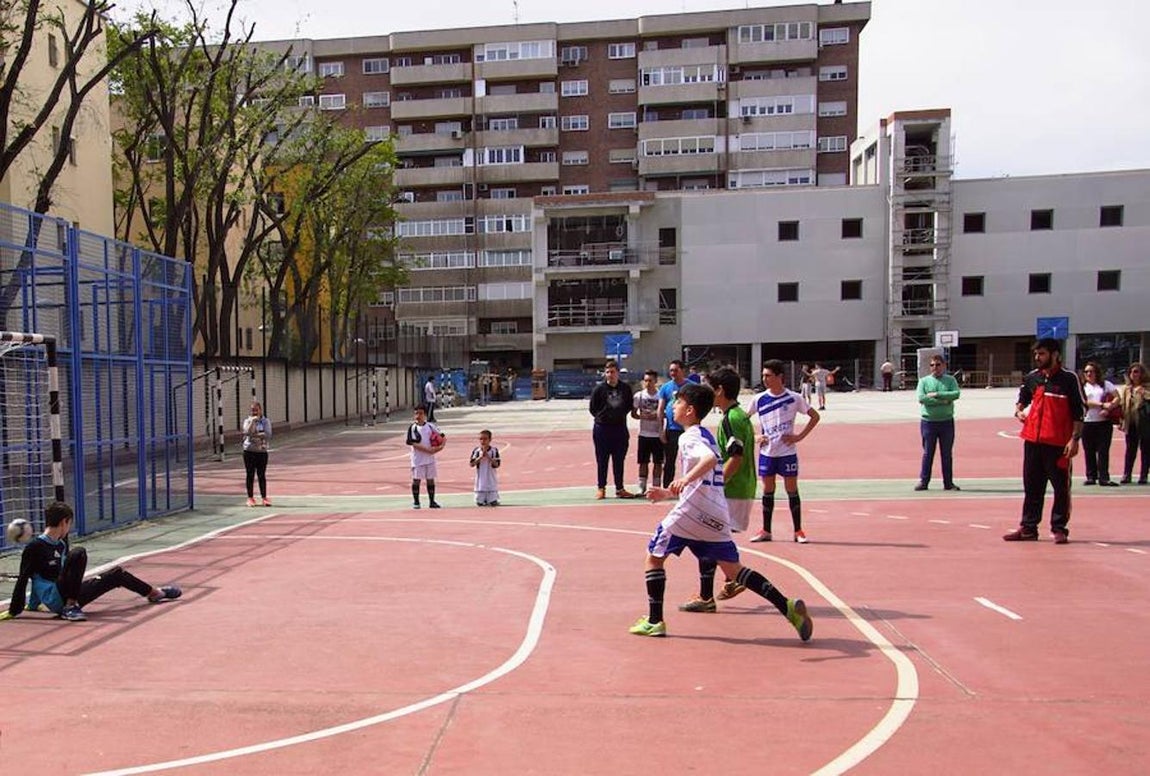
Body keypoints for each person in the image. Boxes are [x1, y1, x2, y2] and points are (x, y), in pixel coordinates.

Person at [629, 381, 812, 641]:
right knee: (734, 570)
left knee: (654, 556)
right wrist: (668, 492)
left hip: (691, 513)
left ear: (690, 410)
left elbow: (709, 460)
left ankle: (655, 621)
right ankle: (788, 606)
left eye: (678, 402)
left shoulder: (689, 437)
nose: (673, 406)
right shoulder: (706, 434)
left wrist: (682, 480)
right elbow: (705, 475)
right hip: (716, 513)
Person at [2, 502, 181, 622]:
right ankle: (71, 607)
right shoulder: (35, 547)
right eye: (69, 523)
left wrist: (33, 606)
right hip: (57, 598)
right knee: (79, 553)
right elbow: (25, 577)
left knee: (116, 574)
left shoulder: (61, 544)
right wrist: (14, 610)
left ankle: (155, 593)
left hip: (69, 590)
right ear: (65, 522)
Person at [679, 367, 758, 612]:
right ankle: (728, 580)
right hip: (743, 485)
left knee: (708, 538)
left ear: (720, 391)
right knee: (715, 539)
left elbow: (735, 456)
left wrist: (716, 485)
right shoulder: (740, 416)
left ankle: (708, 594)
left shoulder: (730, 419)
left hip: (733, 488)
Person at [1004, 338, 1085, 544]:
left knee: (1061, 488)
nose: (1037, 358)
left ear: (1055, 354)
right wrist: (1019, 410)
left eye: (1042, 354)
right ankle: (1028, 528)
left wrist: (1074, 440)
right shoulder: (1033, 377)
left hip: (1058, 444)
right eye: (1036, 354)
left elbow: (1079, 412)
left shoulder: (1069, 379)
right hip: (1032, 441)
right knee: (1032, 487)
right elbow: (1022, 398)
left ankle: (1059, 528)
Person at [745, 360, 820, 543]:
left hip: (787, 452)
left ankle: (798, 531)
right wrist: (755, 437)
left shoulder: (794, 398)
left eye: (768, 375)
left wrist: (799, 437)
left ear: (780, 377)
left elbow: (814, 416)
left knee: (791, 490)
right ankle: (766, 530)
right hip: (767, 453)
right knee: (768, 490)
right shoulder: (759, 399)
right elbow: (743, 420)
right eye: (763, 375)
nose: (764, 379)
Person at [588, 360, 636, 500]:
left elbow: (628, 406)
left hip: (619, 429)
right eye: (607, 372)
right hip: (602, 429)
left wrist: (618, 416)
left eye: (613, 372)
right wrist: (603, 417)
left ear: (618, 373)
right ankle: (601, 488)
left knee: (619, 460)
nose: (610, 375)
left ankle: (620, 488)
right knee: (602, 460)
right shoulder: (599, 389)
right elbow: (593, 408)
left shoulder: (625, 388)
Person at [915, 355, 961, 491]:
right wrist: (943, 400)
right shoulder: (923, 381)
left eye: (938, 364)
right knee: (928, 453)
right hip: (929, 422)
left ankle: (948, 483)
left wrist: (936, 394)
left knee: (946, 453)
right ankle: (924, 481)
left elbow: (955, 394)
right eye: (932, 365)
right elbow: (922, 398)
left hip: (946, 422)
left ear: (944, 365)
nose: (935, 367)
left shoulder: (950, 380)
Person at [1079, 361, 1120, 486]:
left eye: (1092, 371)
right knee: (1089, 450)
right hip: (1087, 422)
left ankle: (1104, 477)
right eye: (1087, 371)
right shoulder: (1082, 386)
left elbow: (1117, 397)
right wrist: (1101, 405)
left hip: (1104, 423)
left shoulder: (1106, 384)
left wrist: (1109, 407)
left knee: (1103, 450)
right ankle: (1091, 476)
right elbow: (1084, 402)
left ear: (1097, 372)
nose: (1089, 374)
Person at [656, 359, 690, 486]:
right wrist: (661, 430)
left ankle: (688, 486)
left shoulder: (691, 387)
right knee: (669, 460)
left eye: (676, 370)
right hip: (672, 430)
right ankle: (667, 486)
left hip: (687, 429)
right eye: (671, 370)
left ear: (683, 371)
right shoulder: (665, 387)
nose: (673, 373)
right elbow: (660, 409)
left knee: (689, 460)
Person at [631, 369, 664, 495]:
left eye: (650, 380)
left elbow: (667, 414)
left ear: (656, 381)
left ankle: (656, 486)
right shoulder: (639, 396)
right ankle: (642, 486)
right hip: (644, 434)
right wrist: (642, 416)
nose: (648, 383)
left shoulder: (661, 395)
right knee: (643, 462)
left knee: (658, 462)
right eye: (645, 380)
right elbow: (634, 414)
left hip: (658, 434)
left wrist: (658, 415)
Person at [406, 404, 445, 509]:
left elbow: (442, 437)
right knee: (416, 480)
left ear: (425, 415)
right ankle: (416, 502)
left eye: (421, 413)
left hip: (430, 458)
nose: (418, 415)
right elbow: (413, 443)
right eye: (416, 413)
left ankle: (432, 501)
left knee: (430, 479)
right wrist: (428, 450)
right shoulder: (413, 428)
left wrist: (440, 447)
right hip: (418, 459)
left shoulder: (431, 426)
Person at [1117, 362, 1149, 485]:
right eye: (1131, 372)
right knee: (1130, 450)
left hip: (1145, 423)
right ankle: (1127, 474)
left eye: (1136, 372)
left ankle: (1143, 475)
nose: (1133, 374)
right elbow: (1123, 405)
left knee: (1145, 450)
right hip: (1130, 422)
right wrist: (1121, 420)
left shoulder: (1147, 387)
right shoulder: (1126, 389)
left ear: (1142, 374)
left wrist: (1144, 393)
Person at [242, 400, 272, 507]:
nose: (254, 412)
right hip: (249, 451)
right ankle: (250, 498)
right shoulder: (247, 421)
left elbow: (268, 434)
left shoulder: (265, 421)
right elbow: (247, 432)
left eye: (256, 410)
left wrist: (256, 435)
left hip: (261, 451)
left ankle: (264, 497)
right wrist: (252, 422)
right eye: (252, 410)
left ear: (260, 410)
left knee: (261, 475)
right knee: (250, 474)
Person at [470, 429, 502, 506]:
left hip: (491, 478)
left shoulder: (494, 450)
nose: (483, 441)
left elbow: (497, 465)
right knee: (479, 503)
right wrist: (480, 457)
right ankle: (481, 499)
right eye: (481, 439)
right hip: (480, 479)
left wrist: (488, 457)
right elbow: (472, 464)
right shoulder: (477, 451)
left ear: (490, 440)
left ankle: (492, 499)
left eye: (485, 439)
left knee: (493, 502)